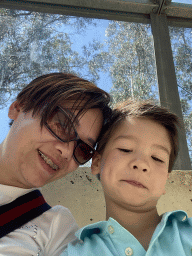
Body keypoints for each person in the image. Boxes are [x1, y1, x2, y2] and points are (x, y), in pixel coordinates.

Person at [61, 99, 192, 256]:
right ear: (96, 162)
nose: (142, 164)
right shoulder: (74, 252)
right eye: (125, 149)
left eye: (157, 158)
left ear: (166, 179)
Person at [0, 72, 111, 255]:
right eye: (61, 123)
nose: (67, 152)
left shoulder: (56, 226)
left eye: (83, 149)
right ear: (18, 107)